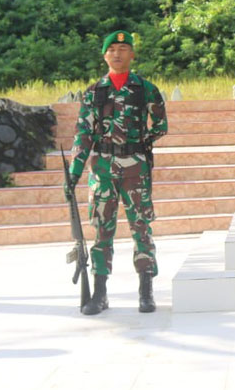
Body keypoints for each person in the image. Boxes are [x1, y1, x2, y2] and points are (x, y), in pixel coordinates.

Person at [64, 30, 168, 314]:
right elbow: (84, 133)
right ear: (104, 55)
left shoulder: (145, 89)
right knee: (101, 231)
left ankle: (145, 291)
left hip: (136, 170)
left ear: (132, 54)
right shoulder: (94, 92)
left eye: (124, 48)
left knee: (141, 228)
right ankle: (99, 293)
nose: (118, 53)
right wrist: (74, 171)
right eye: (113, 49)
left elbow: (161, 125)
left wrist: (141, 144)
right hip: (102, 171)